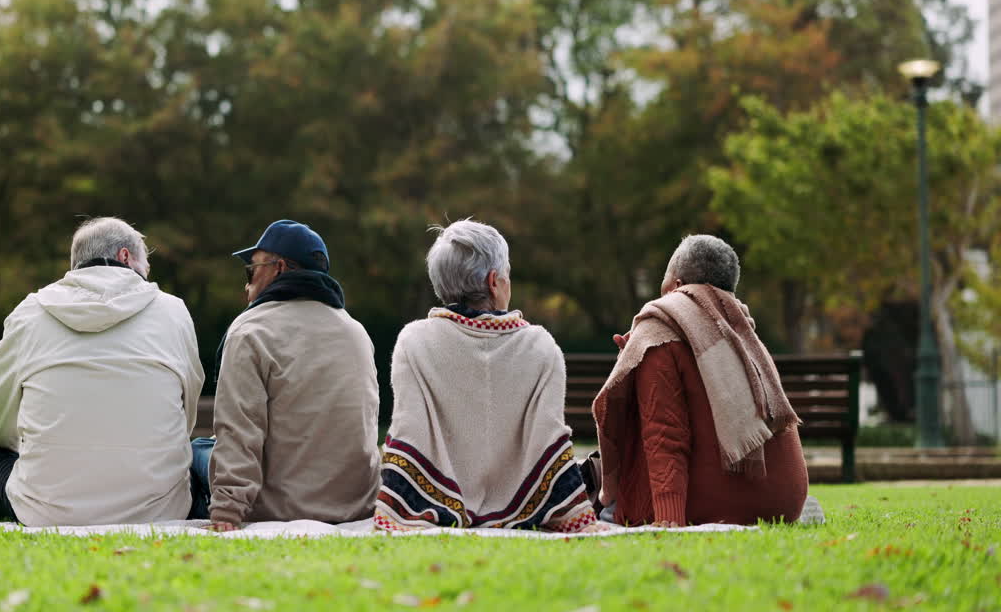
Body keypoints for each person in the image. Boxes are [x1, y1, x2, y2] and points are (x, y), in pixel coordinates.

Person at [0, 217, 205, 526]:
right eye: (145, 267)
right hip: (160, 507)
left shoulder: (30, 312)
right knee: (194, 453)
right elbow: (186, 405)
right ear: (126, 256)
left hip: (48, 510)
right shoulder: (174, 310)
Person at [374, 220, 600, 533]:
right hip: (526, 508)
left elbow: (407, 430)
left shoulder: (413, 341)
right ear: (495, 281)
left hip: (432, 504)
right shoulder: (541, 345)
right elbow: (551, 440)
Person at [593, 234, 808, 527]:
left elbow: (665, 435)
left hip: (711, 505)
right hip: (783, 503)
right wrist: (635, 366)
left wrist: (669, 522)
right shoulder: (744, 334)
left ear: (678, 287)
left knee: (605, 505)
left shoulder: (658, 334)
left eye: (664, 283)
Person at [205, 219, 380, 531]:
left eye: (252, 270)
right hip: (356, 506)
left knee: (197, 452)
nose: (247, 283)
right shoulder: (356, 332)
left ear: (279, 268)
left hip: (281, 508)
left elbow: (239, 428)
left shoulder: (251, 331)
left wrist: (227, 512)